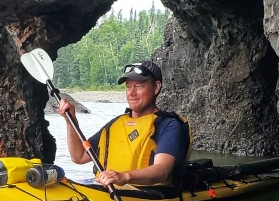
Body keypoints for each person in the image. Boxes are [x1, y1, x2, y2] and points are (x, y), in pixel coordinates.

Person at [57, 60, 190, 189]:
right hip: (105, 190)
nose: (131, 93)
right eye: (128, 87)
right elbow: (78, 156)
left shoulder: (168, 125)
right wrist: (71, 121)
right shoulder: (116, 123)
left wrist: (124, 177)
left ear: (156, 87)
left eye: (138, 87)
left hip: (146, 195)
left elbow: (163, 171)